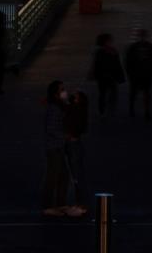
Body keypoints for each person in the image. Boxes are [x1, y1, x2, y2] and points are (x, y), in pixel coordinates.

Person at [42, 80, 69, 216]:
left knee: (64, 175)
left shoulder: (60, 106)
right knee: (53, 176)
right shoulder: (54, 108)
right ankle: (48, 206)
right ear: (56, 94)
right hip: (54, 147)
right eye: (62, 90)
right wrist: (65, 137)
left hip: (58, 146)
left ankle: (60, 204)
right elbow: (51, 128)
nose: (65, 92)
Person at [62, 90, 89, 217]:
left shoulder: (76, 111)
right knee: (76, 175)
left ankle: (80, 205)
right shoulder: (79, 110)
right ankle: (79, 204)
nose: (72, 96)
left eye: (75, 96)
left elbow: (72, 126)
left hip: (73, 144)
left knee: (76, 176)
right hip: (74, 144)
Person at [125, 29, 152, 120]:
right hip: (144, 74)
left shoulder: (133, 47)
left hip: (138, 74)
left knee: (135, 93)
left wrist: (129, 73)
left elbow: (128, 61)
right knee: (145, 94)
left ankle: (133, 109)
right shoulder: (151, 47)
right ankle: (145, 111)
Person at [91, 34, 125, 116]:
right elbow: (96, 65)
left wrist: (120, 75)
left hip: (111, 76)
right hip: (103, 77)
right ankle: (102, 110)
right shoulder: (100, 52)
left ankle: (108, 107)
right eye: (109, 41)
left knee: (112, 93)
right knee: (103, 94)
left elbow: (118, 64)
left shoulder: (113, 51)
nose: (110, 42)